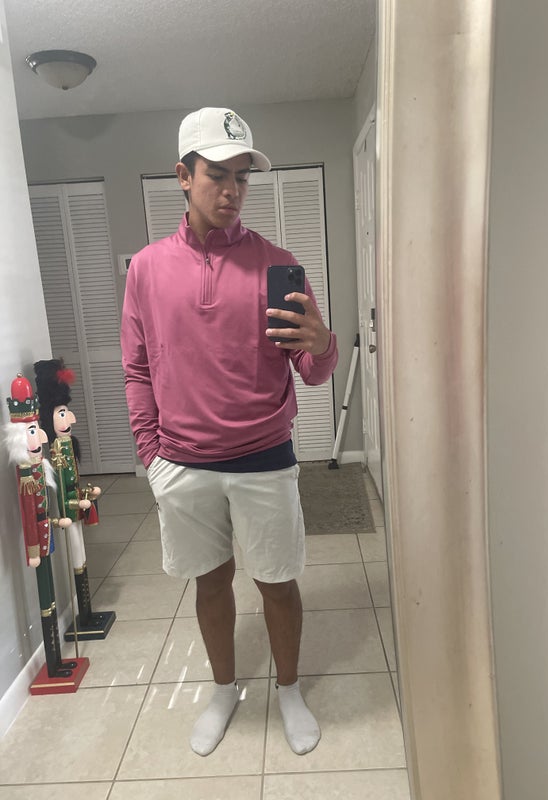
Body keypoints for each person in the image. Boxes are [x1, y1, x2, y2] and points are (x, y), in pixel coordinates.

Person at [121, 107, 338, 756]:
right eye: (217, 174)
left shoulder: (278, 264)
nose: (232, 190)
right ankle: (223, 690)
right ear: (183, 176)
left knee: (277, 582)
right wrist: (152, 456)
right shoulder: (147, 269)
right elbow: (136, 368)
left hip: (264, 457)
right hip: (183, 464)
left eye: (242, 177)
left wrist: (323, 343)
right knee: (211, 583)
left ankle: (289, 690)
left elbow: (312, 372)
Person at [34, 358, 116, 640]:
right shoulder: (51, 454)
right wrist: (74, 503)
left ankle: (88, 610)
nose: (71, 419)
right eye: (62, 413)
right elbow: (60, 490)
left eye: (67, 412)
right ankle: (83, 611)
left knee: (81, 554)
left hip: (78, 511)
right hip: (68, 514)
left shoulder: (67, 445)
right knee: (76, 553)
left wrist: (86, 495)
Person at [4, 374, 78, 681]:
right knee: (45, 596)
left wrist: (56, 520)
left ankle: (57, 659)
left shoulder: (40, 468)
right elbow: (27, 515)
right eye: (33, 431)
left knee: (50, 594)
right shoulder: (25, 475)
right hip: (39, 543)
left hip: (47, 536)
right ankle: (52, 661)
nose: (42, 438)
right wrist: (32, 550)